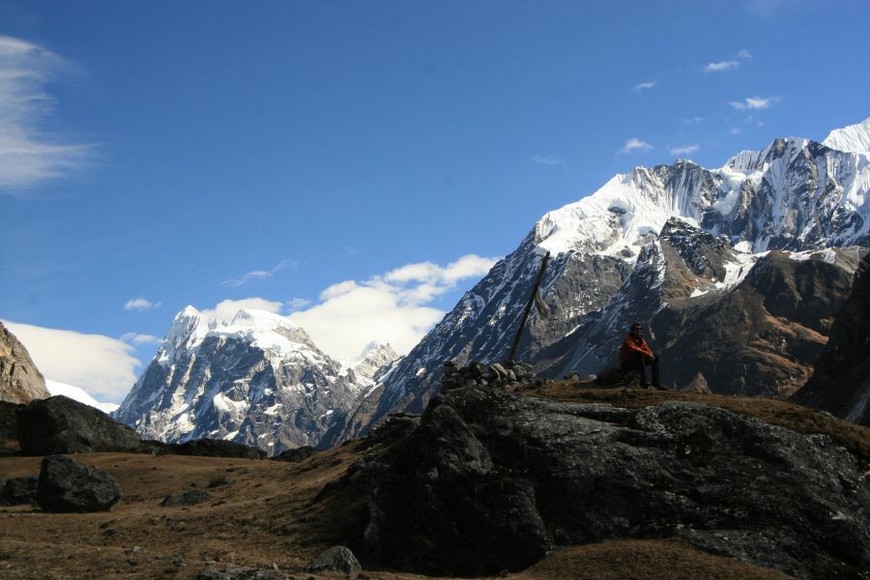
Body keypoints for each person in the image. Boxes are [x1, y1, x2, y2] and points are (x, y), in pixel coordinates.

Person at [618, 322, 663, 389]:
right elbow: (633, 348)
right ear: (633, 330)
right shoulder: (628, 338)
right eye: (636, 329)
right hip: (626, 362)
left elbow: (646, 348)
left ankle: (656, 382)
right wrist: (647, 354)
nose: (638, 330)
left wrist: (651, 355)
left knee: (655, 357)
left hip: (637, 359)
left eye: (640, 329)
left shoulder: (641, 339)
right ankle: (643, 382)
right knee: (637, 355)